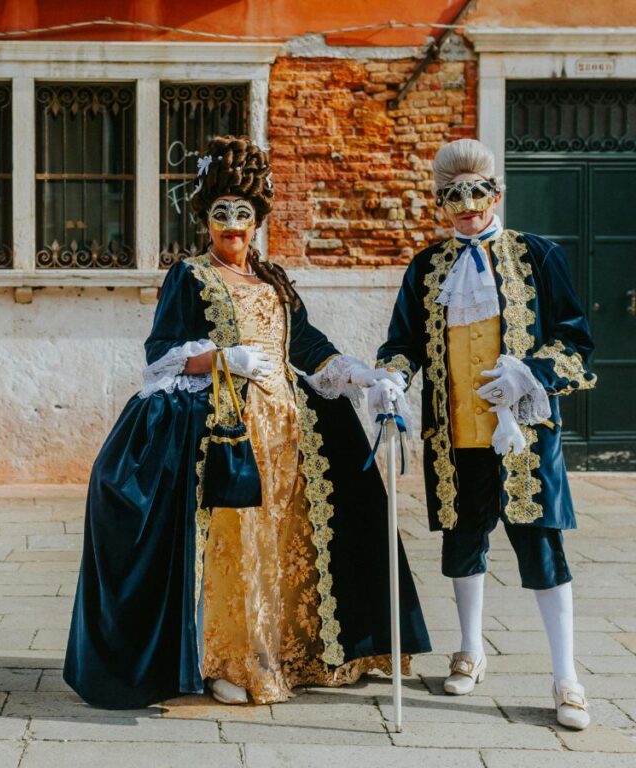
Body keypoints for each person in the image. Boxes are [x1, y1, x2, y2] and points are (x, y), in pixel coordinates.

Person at [64, 135, 430, 709]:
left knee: (286, 544)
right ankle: (228, 659)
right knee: (236, 548)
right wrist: (221, 359)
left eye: (242, 213)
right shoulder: (190, 276)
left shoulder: (274, 279)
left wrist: (360, 374)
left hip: (290, 434)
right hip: (227, 432)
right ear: (206, 220)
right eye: (220, 214)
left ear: (258, 220)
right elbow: (159, 353)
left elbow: (303, 344)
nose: (232, 224)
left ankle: (282, 651)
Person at [372, 138, 595, 730]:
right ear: (439, 203)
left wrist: (531, 372)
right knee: (462, 543)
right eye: (453, 196)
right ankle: (471, 649)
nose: (466, 205)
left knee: (542, 549)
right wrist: (390, 379)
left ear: (496, 193)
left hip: (523, 435)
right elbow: (403, 344)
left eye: (476, 192)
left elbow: (575, 342)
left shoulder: (537, 255)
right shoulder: (426, 268)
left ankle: (566, 677)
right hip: (455, 436)